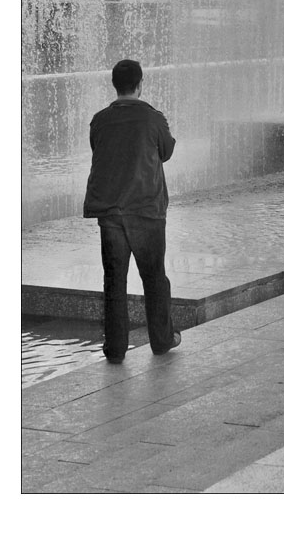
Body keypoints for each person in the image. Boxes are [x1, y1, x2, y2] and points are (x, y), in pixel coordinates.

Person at [83, 59, 181, 361]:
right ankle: (161, 340)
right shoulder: (152, 118)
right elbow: (166, 151)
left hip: (110, 211)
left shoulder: (99, 120)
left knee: (114, 281)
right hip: (145, 208)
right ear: (139, 85)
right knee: (154, 278)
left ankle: (115, 349)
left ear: (115, 85)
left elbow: (98, 149)